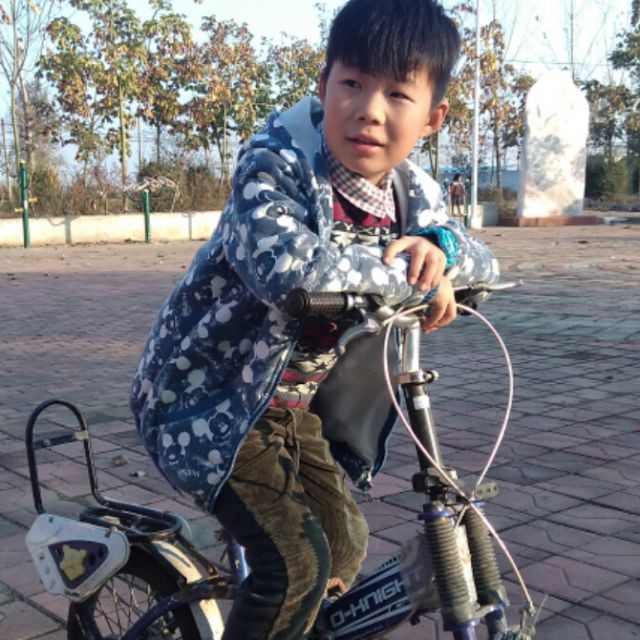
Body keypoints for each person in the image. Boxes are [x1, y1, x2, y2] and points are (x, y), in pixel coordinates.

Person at [130, 1, 499, 638]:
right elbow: (289, 271)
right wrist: (418, 276)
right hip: (209, 400)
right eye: (352, 83)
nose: (370, 110)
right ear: (324, 86)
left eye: (398, 93)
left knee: (343, 543)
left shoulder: (411, 191)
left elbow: (481, 259)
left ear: (433, 117)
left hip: (289, 407)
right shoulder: (274, 166)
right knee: (295, 565)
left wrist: (439, 248)